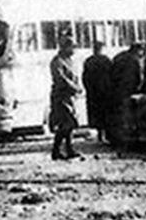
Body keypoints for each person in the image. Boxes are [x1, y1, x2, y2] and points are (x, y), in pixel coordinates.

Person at [48, 30, 82, 160]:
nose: (73, 50)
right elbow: (60, 79)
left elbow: (74, 77)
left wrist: (77, 87)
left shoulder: (70, 61)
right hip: (61, 97)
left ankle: (68, 148)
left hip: (70, 97)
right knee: (66, 123)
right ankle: (56, 150)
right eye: (71, 47)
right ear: (64, 47)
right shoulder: (57, 61)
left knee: (70, 124)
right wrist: (74, 88)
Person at [107, 42, 146, 144]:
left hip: (116, 90)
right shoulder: (135, 60)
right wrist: (139, 89)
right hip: (129, 91)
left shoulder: (118, 57)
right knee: (129, 114)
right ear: (138, 50)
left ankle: (116, 137)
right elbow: (139, 78)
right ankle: (128, 137)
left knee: (117, 114)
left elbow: (111, 73)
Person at [81, 40, 112, 142]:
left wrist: (88, 88)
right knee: (105, 113)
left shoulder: (89, 61)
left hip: (93, 92)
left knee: (96, 113)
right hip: (105, 91)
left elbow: (85, 77)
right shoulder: (106, 60)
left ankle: (100, 135)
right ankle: (105, 135)